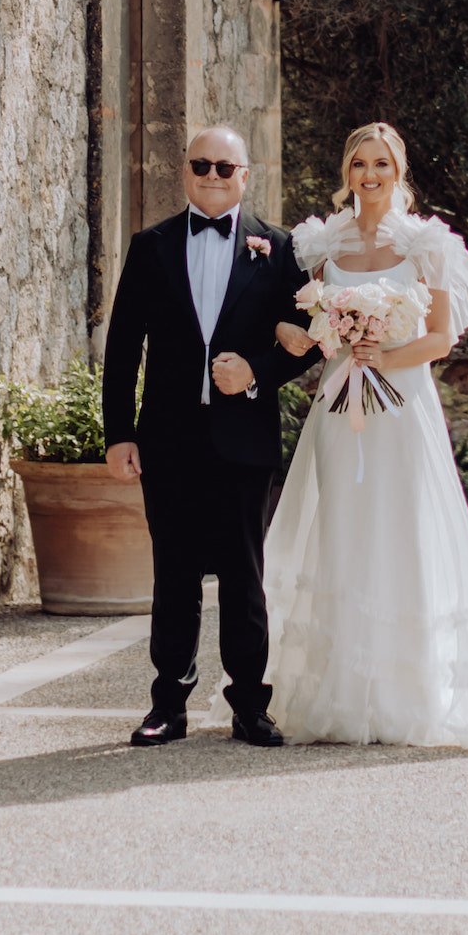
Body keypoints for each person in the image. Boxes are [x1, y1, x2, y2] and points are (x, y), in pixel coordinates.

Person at [266, 120, 468, 751]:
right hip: (340, 412)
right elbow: (302, 326)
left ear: (400, 174)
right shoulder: (321, 243)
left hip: (402, 409)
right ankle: (338, 693)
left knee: (403, 530)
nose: (370, 176)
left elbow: (441, 339)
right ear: (347, 173)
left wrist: (381, 351)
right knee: (342, 527)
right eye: (359, 164)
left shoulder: (426, 243)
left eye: (383, 165)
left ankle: (408, 695)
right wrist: (324, 339)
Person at [102, 124, 308, 747]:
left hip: (244, 439)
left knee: (246, 577)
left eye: (225, 168)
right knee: (175, 575)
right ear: (184, 172)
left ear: (245, 175)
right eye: (201, 166)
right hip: (168, 439)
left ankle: (250, 703)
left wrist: (255, 374)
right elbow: (122, 347)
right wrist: (119, 433)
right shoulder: (151, 245)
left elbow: (305, 339)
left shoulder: (279, 247)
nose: (213, 176)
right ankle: (169, 703)